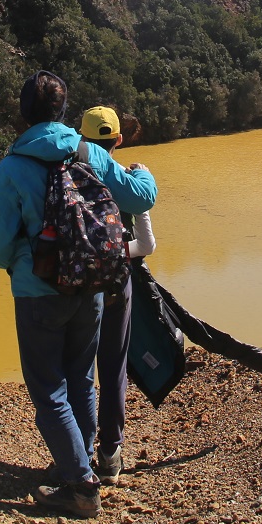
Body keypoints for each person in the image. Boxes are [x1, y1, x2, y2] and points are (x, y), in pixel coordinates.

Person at [0, 71, 156, 519]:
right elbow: (141, 198)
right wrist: (146, 174)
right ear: (63, 112)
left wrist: (23, 258)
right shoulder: (90, 153)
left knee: (48, 387)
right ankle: (80, 463)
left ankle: (80, 483)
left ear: (23, 114)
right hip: (92, 287)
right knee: (80, 378)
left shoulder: (13, 166)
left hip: (38, 292)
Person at [78, 106, 156, 486]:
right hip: (114, 281)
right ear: (118, 140)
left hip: (72, 282)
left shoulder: (64, 171)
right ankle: (109, 455)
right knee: (113, 369)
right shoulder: (121, 178)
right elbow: (145, 218)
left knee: (75, 369)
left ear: (80, 138)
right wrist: (143, 173)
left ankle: (76, 456)